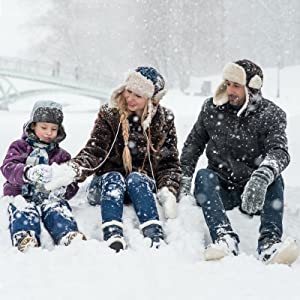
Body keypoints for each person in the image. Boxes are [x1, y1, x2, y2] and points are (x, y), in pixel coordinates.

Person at [44, 66, 181, 252]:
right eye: (129, 91)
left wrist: (168, 189)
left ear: (151, 100)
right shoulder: (110, 114)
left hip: (139, 188)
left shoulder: (164, 120)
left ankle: (153, 233)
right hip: (105, 186)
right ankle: (112, 233)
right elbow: (95, 150)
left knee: (137, 178)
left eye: (138, 96)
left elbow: (169, 162)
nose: (130, 98)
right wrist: (74, 169)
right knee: (114, 177)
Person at [179, 59, 299, 264]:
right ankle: (224, 238)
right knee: (203, 176)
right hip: (221, 188)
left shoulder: (271, 115)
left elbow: (279, 151)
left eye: (236, 85)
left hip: (255, 192)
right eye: (227, 84)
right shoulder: (211, 109)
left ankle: (269, 243)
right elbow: (193, 145)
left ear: (251, 89)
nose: (230, 90)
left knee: (275, 178)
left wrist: (262, 176)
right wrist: (183, 177)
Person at [1, 100, 85, 252]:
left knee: (57, 209)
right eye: (44, 127)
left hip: (49, 197)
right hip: (21, 194)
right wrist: (27, 172)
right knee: (23, 209)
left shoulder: (62, 156)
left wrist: (63, 189)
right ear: (33, 125)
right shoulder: (19, 147)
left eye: (53, 129)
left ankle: (67, 234)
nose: (48, 133)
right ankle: (25, 236)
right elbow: (8, 167)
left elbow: (71, 181)